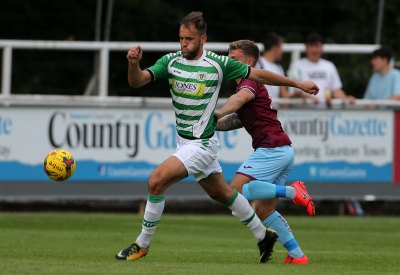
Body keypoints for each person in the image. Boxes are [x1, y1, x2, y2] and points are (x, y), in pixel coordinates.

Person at [116, 11, 319, 263]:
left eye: (189, 39)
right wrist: (133, 64)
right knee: (224, 194)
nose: (184, 44)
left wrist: (298, 84)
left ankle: (142, 244)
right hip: (185, 142)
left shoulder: (217, 63)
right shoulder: (171, 61)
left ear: (203, 39)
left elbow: (260, 75)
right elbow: (138, 82)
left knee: (156, 181)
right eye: (181, 38)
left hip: (202, 144)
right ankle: (263, 236)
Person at [215, 40, 315, 265]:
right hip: (282, 149)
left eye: (234, 60)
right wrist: (214, 124)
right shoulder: (248, 85)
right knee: (264, 210)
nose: (229, 63)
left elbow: (239, 100)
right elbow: (240, 118)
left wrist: (218, 112)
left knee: (235, 191)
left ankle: (292, 192)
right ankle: (297, 255)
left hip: (272, 148)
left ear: (249, 62)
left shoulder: (248, 83)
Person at [289, 33, 355, 108]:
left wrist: (346, 98)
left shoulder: (329, 66)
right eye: (311, 46)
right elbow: (292, 92)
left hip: (325, 114)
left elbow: (336, 90)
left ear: (322, 48)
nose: (314, 50)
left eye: (316, 46)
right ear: (306, 48)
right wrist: (307, 98)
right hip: (300, 115)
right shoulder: (296, 65)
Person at [256, 32, 289, 108]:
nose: (282, 51)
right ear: (275, 47)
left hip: (273, 113)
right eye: (281, 47)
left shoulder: (278, 68)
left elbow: (284, 94)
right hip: (259, 112)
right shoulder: (258, 64)